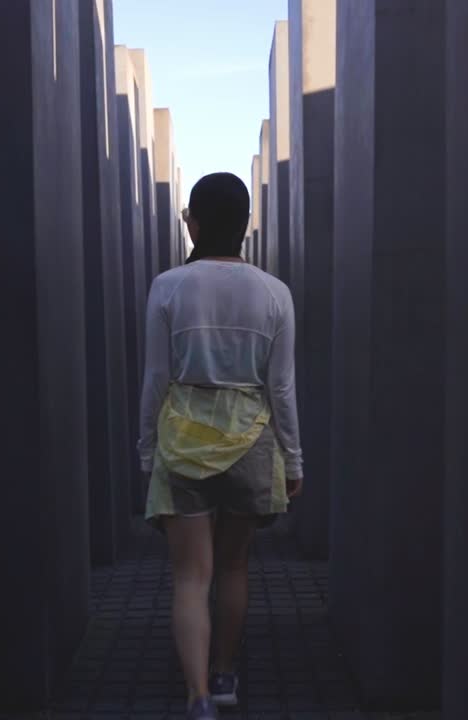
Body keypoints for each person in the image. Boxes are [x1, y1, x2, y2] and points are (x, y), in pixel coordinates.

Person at [137, 172, 304, 719]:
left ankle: (198, 697)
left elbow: (155, 379)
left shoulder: (168, 286)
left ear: (195, 220)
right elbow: (281, 387)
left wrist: (146, 450)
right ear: (246, 223)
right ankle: (225, 674)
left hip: (183, 437)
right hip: (253, 439)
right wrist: (293, 458)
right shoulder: (275, 292)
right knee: (234, 569)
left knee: (190, 577)